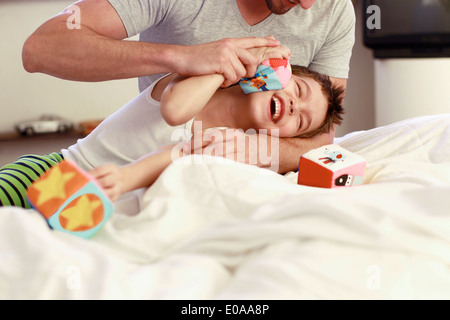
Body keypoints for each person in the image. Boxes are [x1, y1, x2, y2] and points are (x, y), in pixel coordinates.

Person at [21, 0, 356, 173]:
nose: (310, 6)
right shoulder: (182, 94)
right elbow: (41, 49)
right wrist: (183, 58)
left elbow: (321, 139)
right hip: (87, 166)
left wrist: (252, 154)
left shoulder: (335, 12)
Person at [0, 53, 344, 208]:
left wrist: (124, 180)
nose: (295, 107)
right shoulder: (194, 81)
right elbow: (175, 111)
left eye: (300, 122)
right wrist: (238, 68)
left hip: (101, 198)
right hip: (59, 169)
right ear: (276, 73)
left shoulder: (231, 143)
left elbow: (175, 156)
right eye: (297, 90)